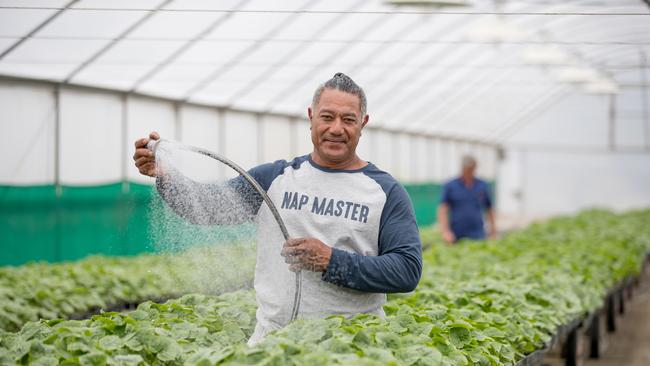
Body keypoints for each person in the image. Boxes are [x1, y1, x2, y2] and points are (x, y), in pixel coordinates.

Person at [132, 73, 422, 344]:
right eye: (327, 117)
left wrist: (331, 260)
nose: (336, 128)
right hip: (274, 344)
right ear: (311, 117)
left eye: (348, 119)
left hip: (353, 347)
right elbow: (208, 208)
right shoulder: (274, 179)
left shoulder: (385, 192)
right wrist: (167, 177)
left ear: (363, 123)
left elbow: (407, 270)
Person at [437, 155, 496, 244]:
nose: (469, 172)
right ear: (462, 168)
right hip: (456, 234)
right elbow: (443, 209)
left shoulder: (482, 185)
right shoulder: (451, 185)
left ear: (475, 168)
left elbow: (489, 208)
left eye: (471, 169)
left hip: (478, 233)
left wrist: (493, 229)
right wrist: (445, 231)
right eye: (467, 169)